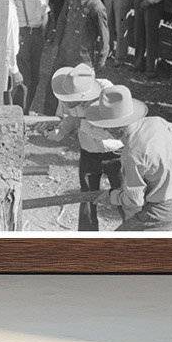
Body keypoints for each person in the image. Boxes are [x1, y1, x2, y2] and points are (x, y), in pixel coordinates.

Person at [84, 84, 172, 232]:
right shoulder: (156, 122)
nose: (105, 130)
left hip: (159, 212)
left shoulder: (132, 153)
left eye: (105, 126)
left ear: (114, 128)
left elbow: (134, 200)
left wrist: (111, 197)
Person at [44, 64, 123, 231]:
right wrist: (61, 131)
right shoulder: (70, 87)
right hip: (89, 151)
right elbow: (72, 117)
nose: (65, 102)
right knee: (87, 197)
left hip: (114, 153)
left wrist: (82, 123)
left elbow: (106, 130)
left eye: (70, 99)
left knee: (123, 196)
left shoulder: (108, 93)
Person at [43, 0, 110, 112]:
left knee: (78, 93)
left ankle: (73, 124)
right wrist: (56, 45)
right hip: (64, 52)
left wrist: (100, 61)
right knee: (54, 86)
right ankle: (47, 117)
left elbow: (105, 37)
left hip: (82, 58)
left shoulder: (97, 7)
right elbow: (62, 20)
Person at [14, 0, 51, 113]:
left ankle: (26, 109)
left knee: (35, 77)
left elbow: (45, 12)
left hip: (37, 34)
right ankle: (19, 111)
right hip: (22, 34)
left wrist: (44, 33)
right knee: (24, 77)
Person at [6, 0, 28, 107]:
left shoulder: (8, 5)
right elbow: (10, 44)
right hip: (6, 65)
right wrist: (15, 70)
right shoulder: (11, 12)